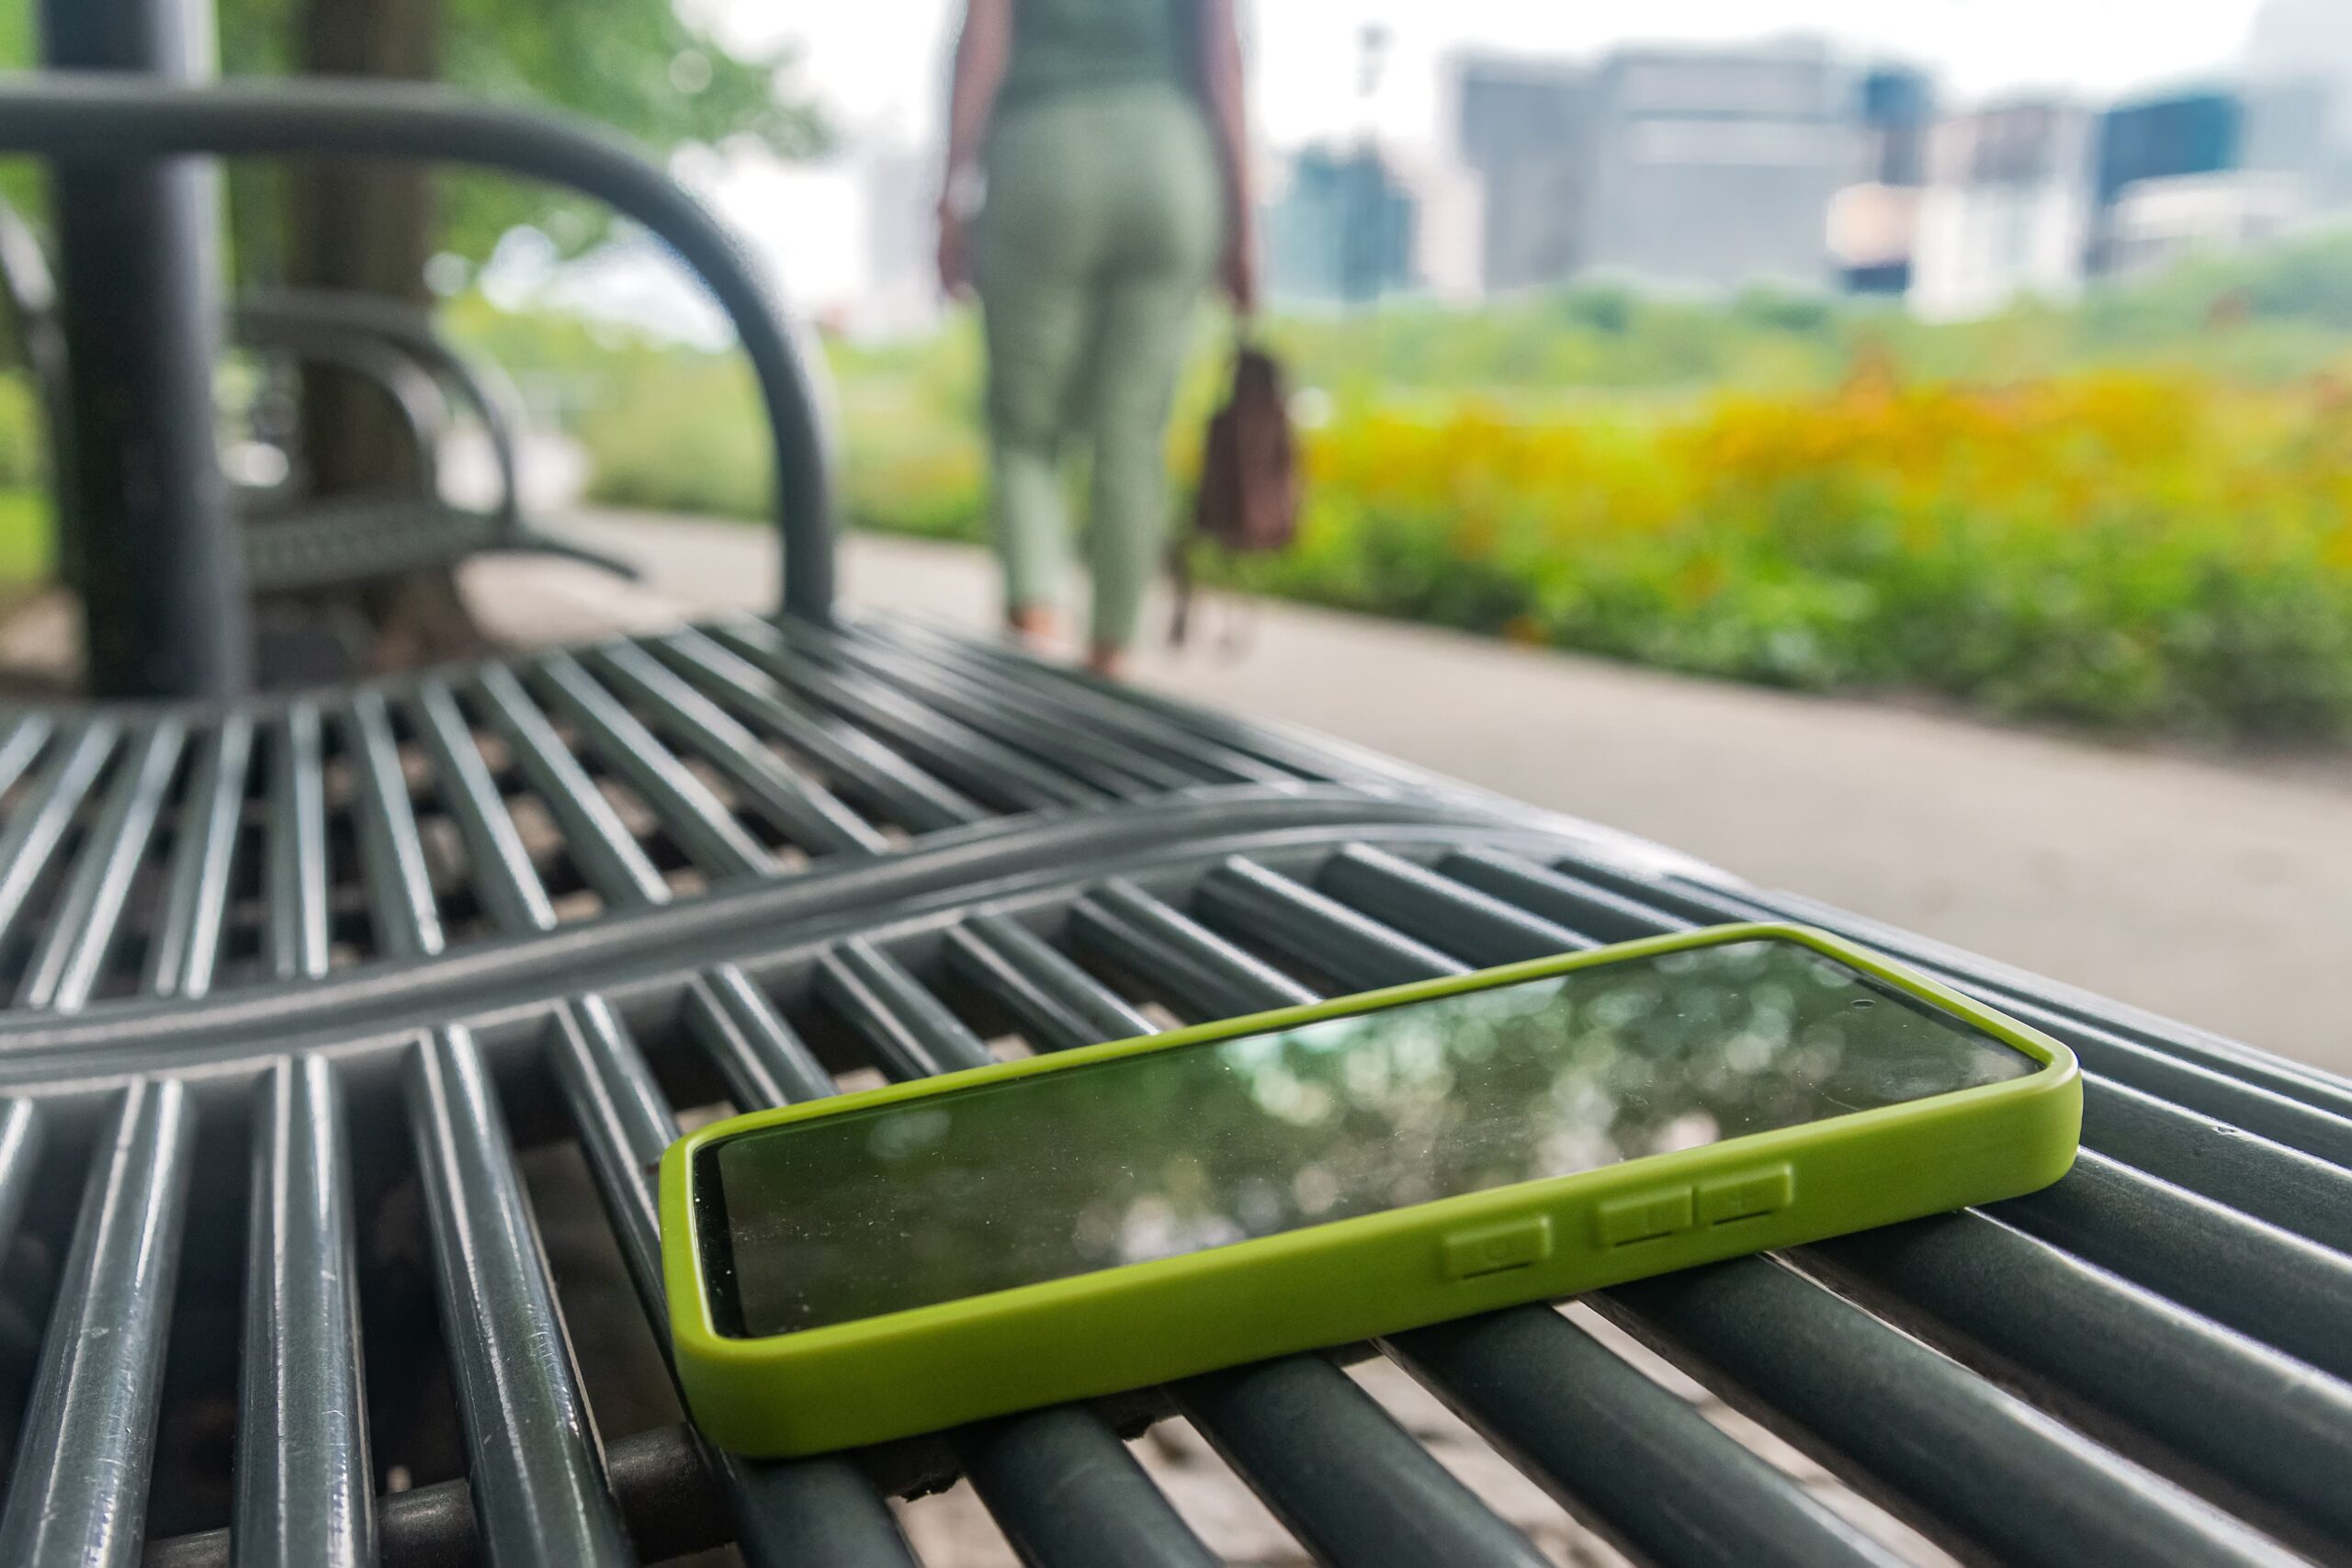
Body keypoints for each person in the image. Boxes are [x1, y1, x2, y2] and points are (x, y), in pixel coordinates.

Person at [938, 0, 1256, 679]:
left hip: (1043, 157)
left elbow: (981, 49)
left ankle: (1036, 625)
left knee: (1024, 431)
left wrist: (950, 192)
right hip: (1170, 163)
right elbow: (1223, 64)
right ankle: (1113, 651)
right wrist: (1245, 225)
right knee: (1133, 431)